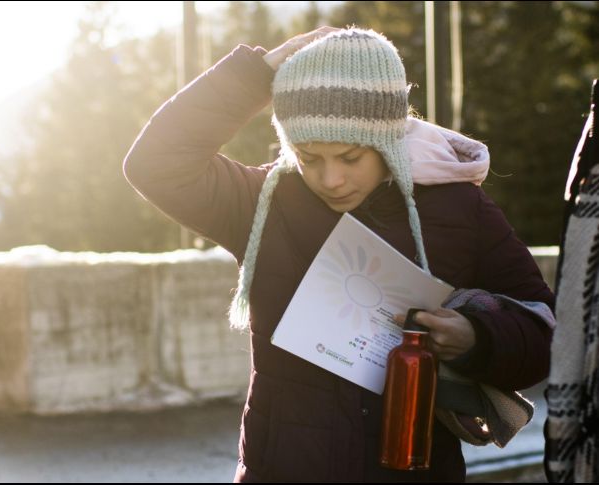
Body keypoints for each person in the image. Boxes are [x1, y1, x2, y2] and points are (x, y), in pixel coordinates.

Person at [124, 27, 554, 483]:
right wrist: (256, 74)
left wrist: (477, 338)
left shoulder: (458, 207)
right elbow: (155, 163)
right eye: (309, 157)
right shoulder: (264, 203)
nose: (330, 179)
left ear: (387, 138)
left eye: (350, 157)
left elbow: (544, 330)